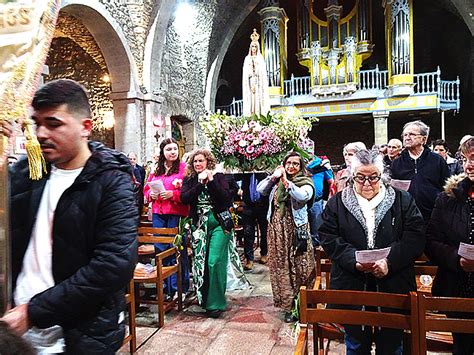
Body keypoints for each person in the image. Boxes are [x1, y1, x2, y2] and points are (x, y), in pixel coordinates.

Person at [0, 79, 138, 353]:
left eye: (53, 124)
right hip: (18, 334)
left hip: (79, 335)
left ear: (85, 127)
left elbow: (112, 265)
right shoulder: (28, 172)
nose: (41, 133)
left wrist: (33, 312)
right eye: (36, 123)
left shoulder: (111, 181)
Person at [319, 149, 425, 354]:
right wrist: (353, 260)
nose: (367, 183)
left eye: (373, 177)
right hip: (352, 282)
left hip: (393, 281)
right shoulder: (337, 202)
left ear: (382, 176)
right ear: (352, 176)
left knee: (392, 344)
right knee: (356, 343)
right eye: (360, 177)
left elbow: (415, 236)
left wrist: (389, 262)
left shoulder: (402, 200)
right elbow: (328, 236)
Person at [425, 136, 474, 354]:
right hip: (457, 285)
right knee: (462, 346)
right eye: (465, 159)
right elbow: (432, 240)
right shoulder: (448, 198)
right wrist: (457, 259)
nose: (469, 164)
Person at [257, 152, 316, 323]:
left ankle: (304, 304)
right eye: (288, 163)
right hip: (277, 229)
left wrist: (286, 181)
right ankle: (289, 305)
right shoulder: (276, 182)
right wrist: (273, 177)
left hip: (297, 230)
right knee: (281, 266)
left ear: (301, 167)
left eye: (295, 164)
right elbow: (260, 190)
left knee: (300, 267)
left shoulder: (305, 182)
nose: (291, 166)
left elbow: (302, 196)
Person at [180, 148, 234, 318]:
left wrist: (210, 181)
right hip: (198, 226)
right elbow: (185, 198)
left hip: (219, 223)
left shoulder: (218, 177)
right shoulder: (190, 179)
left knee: (214, 261)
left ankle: (216, 303)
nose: (198, 164)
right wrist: (199, 184)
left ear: (208, 162)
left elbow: (225, 199)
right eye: (195, 161)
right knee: (200, 263)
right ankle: (205, 298)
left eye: (201, 161)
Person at [143, 138, 190, 298]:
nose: (173, 152)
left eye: (175, 149)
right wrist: (151, 194)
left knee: (176, 249)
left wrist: (173, 194)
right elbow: (146, 190)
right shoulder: (156, 169)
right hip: (158, 214)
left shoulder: (184, 169)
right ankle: (167, 288)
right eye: (169, 149)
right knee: (162, 250)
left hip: (176, 213)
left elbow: (189, 192)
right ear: (163, 152)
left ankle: (180, 288)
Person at [390, 120, 450, 222]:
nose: (407, 137)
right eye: (405, 135)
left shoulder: (437, 160)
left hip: (434, 216)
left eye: (412, 134)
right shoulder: (396, 164)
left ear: (424, 139)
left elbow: (447, 187)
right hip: (407, 218)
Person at [238, 172, 269, 270]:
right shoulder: (246, 174)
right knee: (248, 233)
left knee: (265, 232)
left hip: (263, 206)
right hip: (248, 206)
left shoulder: (264, 173)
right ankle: (249, 259)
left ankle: (264, 253)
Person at [307, 153, 334, 246]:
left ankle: (315, 255)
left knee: (316, 231)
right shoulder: (296, 163)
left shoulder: (321, 163)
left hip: (316, 202)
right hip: (299, 203)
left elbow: (331, 182)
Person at [242, 29, 270, 116]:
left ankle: (258, 115)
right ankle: (251, 114)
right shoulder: (247, 59)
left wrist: (256, 68)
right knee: (251, 99)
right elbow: (245, 73)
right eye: (253, 46)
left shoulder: (260, 58)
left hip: (258, 81)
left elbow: (262, 73)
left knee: (257, 99)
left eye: (255, 47)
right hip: (250, 81)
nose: (254, 48)